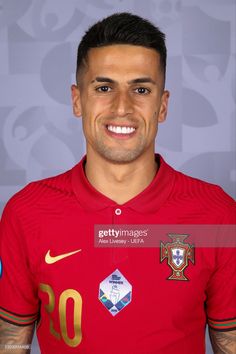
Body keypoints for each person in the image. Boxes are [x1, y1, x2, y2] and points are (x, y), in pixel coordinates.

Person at [0, 12, 235, 354]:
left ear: (162, 105)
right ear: (77, 100)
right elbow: (10, 340)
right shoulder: (26, 213)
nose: (122, 107)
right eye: (104, 87)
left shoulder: (218, 216)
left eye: (141, 89)